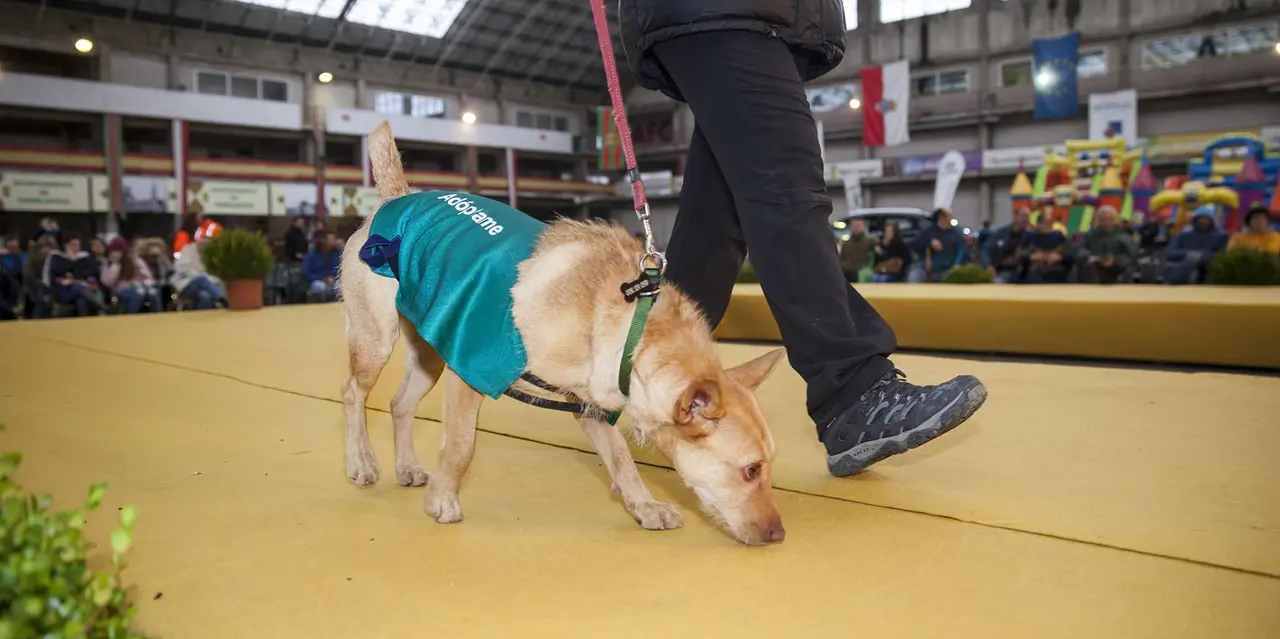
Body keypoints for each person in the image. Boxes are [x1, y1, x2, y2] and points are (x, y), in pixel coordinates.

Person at [617, 0, 987, 477]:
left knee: (717, 218)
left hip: (748, 18)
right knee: (785, 185)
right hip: (727, 13)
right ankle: (850, 392)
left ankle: (648, 373)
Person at [43, 236, 107, 316]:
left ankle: (82, 324)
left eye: (78, 245)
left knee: (81, 300)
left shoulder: (83, 258)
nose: (76, 248)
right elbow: (53, 276)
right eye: (73, 245)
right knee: (79, 288)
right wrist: (70, 260)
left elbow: (86, 274)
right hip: (61, 290)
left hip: (79, 289)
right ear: (66, 245)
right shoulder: (56, 257)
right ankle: (102, 306)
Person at [1164, 205, 1227, 285]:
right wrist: (1189, 254)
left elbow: (1222, 255)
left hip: (1208, 269)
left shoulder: (1220, 236)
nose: (1203, 222)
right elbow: (1170, 253)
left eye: (1206, 219)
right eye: (1201, 219)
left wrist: (1203, 255)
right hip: (1183, 268)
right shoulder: (1184, 235)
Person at [1075, 206, 1137, 284]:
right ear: (1097, 220)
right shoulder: (1089, 235)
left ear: (1115, 220)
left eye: (1110, 220)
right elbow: (1079, 250)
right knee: (1087, 268)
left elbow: (1130, 255)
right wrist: (1092, 257)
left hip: (1117, 267)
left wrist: (1115, 260)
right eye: (1103, 220)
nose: (1106, 223)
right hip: (1095, 266)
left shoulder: (1123, 235)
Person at [172, 221, 225, 310]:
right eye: (203, 239)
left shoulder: (213, 255)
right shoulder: (187, 250)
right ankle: (222, 301)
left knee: (204, 296)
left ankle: (203, 320)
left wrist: (208, 280)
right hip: (185, 286)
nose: (205, 243)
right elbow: (182, 269)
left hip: (206, 287)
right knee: (202, 279)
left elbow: (216, 275)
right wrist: (201, 278)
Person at [101, 237, 161, 313]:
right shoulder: (107, 265)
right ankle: (130, 317)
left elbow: (148, 276)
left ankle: (157, 315)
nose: (116, 253)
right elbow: (107, 282)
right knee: (133, 295)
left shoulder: (135, 261)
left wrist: (144, 284)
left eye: (118, 250)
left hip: (140, 286)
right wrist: (115, 265)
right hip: (121, 290)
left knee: (153, 293)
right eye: (114, 251)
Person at [907, 208, 967, 282]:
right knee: (914, 275)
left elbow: (961, 249)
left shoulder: (956, 233)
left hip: (947, 269)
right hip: (928, 269)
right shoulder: (929, 231)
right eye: (949, 216)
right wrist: (929, 242)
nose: (951, 219)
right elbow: (914, 244)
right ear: (941, 218)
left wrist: (957, 264)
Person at [984, 207, 1032, 283]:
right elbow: (986, 249)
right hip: (1001, 270)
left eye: (1028, 217)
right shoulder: (1001, 233)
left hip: (1022, 273)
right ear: (1015, 216)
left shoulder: (1030, 235)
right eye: (1023, 216)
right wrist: (988, 264)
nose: (1026, 219)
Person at [1021, 212, 1071, 283]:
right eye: (1045, 223)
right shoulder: (1030, 237)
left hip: (1056, 271)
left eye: (1049, 222)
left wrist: (1060, 257)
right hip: (1035, 271)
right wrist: (1031, 257)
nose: (1047, 225)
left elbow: (1070, 255)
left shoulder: (1059, 236)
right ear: (1039, 224)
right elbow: (1020, 256)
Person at [302, 229, 341, 302]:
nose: (334, 242)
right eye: (331, 240)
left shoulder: (337, 253)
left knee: (341, 287)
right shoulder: (311, 255)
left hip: (333, 280)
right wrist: (322, 278)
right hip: (316, 281)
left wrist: (332, 277)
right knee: (321, 287)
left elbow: (340, 268)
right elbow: (305, 272)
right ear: (323, 241)